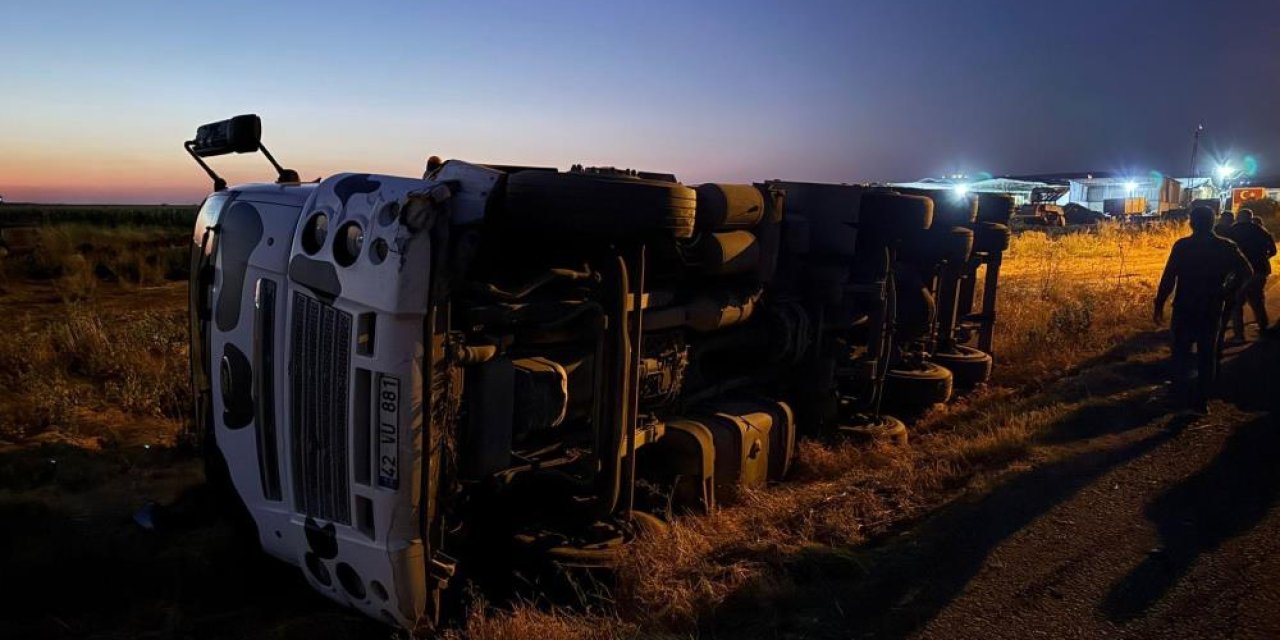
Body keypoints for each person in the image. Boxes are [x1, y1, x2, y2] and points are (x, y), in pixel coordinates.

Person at [1153, 206, 1253, 413]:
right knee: (1207, 355)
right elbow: (1246, 271)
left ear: (1191, 222)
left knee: (1180, 353)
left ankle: (1179, 396)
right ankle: (1201, 401)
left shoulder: (1183, 246)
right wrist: (1228, 291)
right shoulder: (1225, 246)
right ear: (1213, 222)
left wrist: (1159, 304)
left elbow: (1169, 277)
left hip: (1184, 307)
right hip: (1211, 307)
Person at [1227, 208, 1277, 340]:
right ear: (1250, 217)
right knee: (1257, 301)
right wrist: (1264, 257)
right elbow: (1273, 250)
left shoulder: (1233, 230)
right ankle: (1263, 329)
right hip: (1260, 270)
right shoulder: (1260, 230)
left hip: (1240, 272)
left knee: (1237, 304)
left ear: (1239, 217)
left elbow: (1228, 251)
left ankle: (1239, 335)